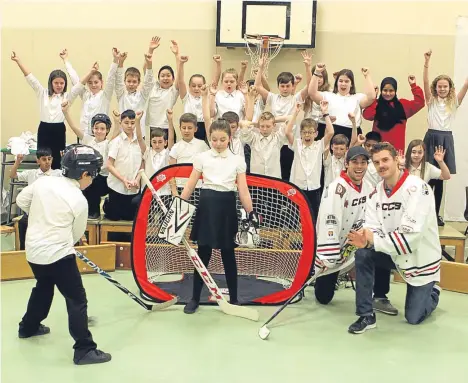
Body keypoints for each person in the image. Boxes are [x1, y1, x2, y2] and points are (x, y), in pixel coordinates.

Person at [16, 144, 111, 365]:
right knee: (77, 299)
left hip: (33, 253)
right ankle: (84, 350)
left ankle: (27, 327)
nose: (93, 180)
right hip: (59, 255)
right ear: (85, 174)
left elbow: (21, 201)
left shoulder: (45, 181)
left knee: (43, 286)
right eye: (93, 175)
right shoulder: (78, 199)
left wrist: (42, 214)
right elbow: (76, 233)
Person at [347, 142, 442, 334]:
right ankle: (366, 314)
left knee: (413, 318)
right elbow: (372, 229)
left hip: (419, 258)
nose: (381, 165)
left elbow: (410, 240)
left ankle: (432, 292)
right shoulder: (376, 195)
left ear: (397, 160)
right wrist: (365, 239)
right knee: (363, 254)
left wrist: (373, 239)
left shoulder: (418, 189)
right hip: (395, 253)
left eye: (385, 160)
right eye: (376, 162)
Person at [180, 119, 259, 314]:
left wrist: (251, 213)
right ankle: (194, 298)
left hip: (227, 208)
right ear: (209, 138)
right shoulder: (201, 158)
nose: (218, 143)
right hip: (207, 206)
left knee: (228, 255)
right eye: (214, 139)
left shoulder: (238, 160)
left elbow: (243, 191)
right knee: (203, 255)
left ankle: (234, 299)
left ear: (229, 138)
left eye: (222, 139)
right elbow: (190, 185)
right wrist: (178, 206)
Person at [314, 146, 372, 304]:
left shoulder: (368, 186)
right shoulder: (337, 188)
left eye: (363, 162)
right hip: (336, 244)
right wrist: (328, 256)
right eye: (355, 162)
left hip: (355, 244)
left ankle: (373, 294)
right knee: (323, 297)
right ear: (347, 164)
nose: (359, 166)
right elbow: (329, 222)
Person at [10, 52, 83, 169]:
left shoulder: (67, 96)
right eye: (56, 83)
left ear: (65, 84)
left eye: (62, 83)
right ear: (51, 83)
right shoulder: (42, 93)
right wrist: (18, 61)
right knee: (43, 159)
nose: (59, 86)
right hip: (44, 129)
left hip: (59, 129)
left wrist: (67, 61)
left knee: (58, 160)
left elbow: (80, 84)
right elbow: (30, 78)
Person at [422, 49, 468, 226]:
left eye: (445, 86)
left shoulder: (453, 102)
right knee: (428, 177)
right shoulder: (431, 101)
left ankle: (436, 214)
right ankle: (425, 213)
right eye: (439, 86)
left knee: (440, 178)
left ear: (449, 89)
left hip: (445, 139)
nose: (442, 89)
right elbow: (425, 81)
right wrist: (426, 62)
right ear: (436, 88)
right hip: (431, 137)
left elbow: (465, 87)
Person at [254, 51, 312, 181]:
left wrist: (308, 67)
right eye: (282, 86)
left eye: (288, 86)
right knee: (274, 174)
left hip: (290, 142)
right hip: (275, 141)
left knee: (288, 175)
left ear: (292, 86)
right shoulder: (273, 98)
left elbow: (309, 87)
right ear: (278, 86)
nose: (285, 88)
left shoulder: (296, 98)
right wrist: (261, 68)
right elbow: (257, 86)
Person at [62, 102, 121, 218]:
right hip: (90, 176)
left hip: (104, 178)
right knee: (84, 181)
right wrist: (66, 112)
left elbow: (116, 131)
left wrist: (116, 121)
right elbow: (74, 128)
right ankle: (88, 210)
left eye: (102, 129)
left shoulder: (109, 143)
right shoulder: (88, 140)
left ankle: (99, 208)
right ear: (92, 129)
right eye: (96, 128)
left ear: (107, 130)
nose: (99, 131)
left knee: (94, 184)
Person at [284, 101, 334, 223]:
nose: (307, 135)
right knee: (295, 217)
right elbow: (287, 132)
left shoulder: (319, 145)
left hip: (314, 188)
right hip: (297, 187)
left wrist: (325, 113)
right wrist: (295, 113)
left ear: (316, 134)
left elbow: (331, 132)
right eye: (305, 132)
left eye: (311, 132)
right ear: (301, 133)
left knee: (313, 218)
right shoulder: (297, 144)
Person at [10, 148, 62, 249]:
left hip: (50, 211)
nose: (47, 162)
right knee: (23, 222)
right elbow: (12, 175)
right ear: (38, 161)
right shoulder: (31, 173)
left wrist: (64, 160)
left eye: (49, 159)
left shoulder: (57, 174)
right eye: (44, 159)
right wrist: (17, 161)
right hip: (33, 211)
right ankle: (24, 251)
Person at [308, 63, 375, 142]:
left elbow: (371, 97)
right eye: (341, 81)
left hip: (352, 134)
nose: (343, 84)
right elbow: (312, 93)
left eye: (347, 81)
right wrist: (317, 72)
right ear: (337, 82)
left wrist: (367, 76)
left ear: (351, 84)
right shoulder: (328, 95)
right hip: (332, 132)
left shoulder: (357, 97)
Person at [60, 48, 119, 135]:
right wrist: (65, 60)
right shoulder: (85, 94)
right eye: (90, 83)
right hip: (83, 135)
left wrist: (115, 60)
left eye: (96, 82)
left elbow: (111, 78)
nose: (93, 85)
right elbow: (75, 79)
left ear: (101, 82)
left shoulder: (105, 95)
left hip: (98, 135)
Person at [363, 76, 425, 152]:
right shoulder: (377, 104)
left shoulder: (403, 105)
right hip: (378, 149)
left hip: (396, 151)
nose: (388, 93)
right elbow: (367, 115)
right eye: (385, 90)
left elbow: (420, 103)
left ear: (395, 91)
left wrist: (413, 86)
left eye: (391, 90)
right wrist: (374, 97)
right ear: (381, 91)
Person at [104, 110, 144, 221]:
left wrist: (137, 179)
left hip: (133, 189)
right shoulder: (116, 142)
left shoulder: (139, 142)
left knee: (130, 218)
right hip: (116, 187)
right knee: (114, 217)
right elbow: (109, 165)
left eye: (132, 122)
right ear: (121, 123)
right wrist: (124, 180)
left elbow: (142, 164)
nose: (130, 126)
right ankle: (107, 203)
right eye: (126, 122)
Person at [146, 38, 180, 140]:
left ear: (173, 79)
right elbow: (147, 69)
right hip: (152, 127)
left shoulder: (173, 91)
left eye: (168, 75)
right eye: (163, 76)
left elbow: (180, 73)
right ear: (158, 78)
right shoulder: (153, 87)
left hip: (166, 128)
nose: (165, 78)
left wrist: (177, 54)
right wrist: (150, 50)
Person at [115, 50, 154, 137]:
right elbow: (118, 82)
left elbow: (148, 82)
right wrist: (120, 62)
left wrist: (149, 65)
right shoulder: (121, 95)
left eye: (134, 81)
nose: (131, 84)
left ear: (139, 82)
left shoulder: (142, 95)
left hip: (139, 135)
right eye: (129, 81)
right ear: (124, 81)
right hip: (123, 135)